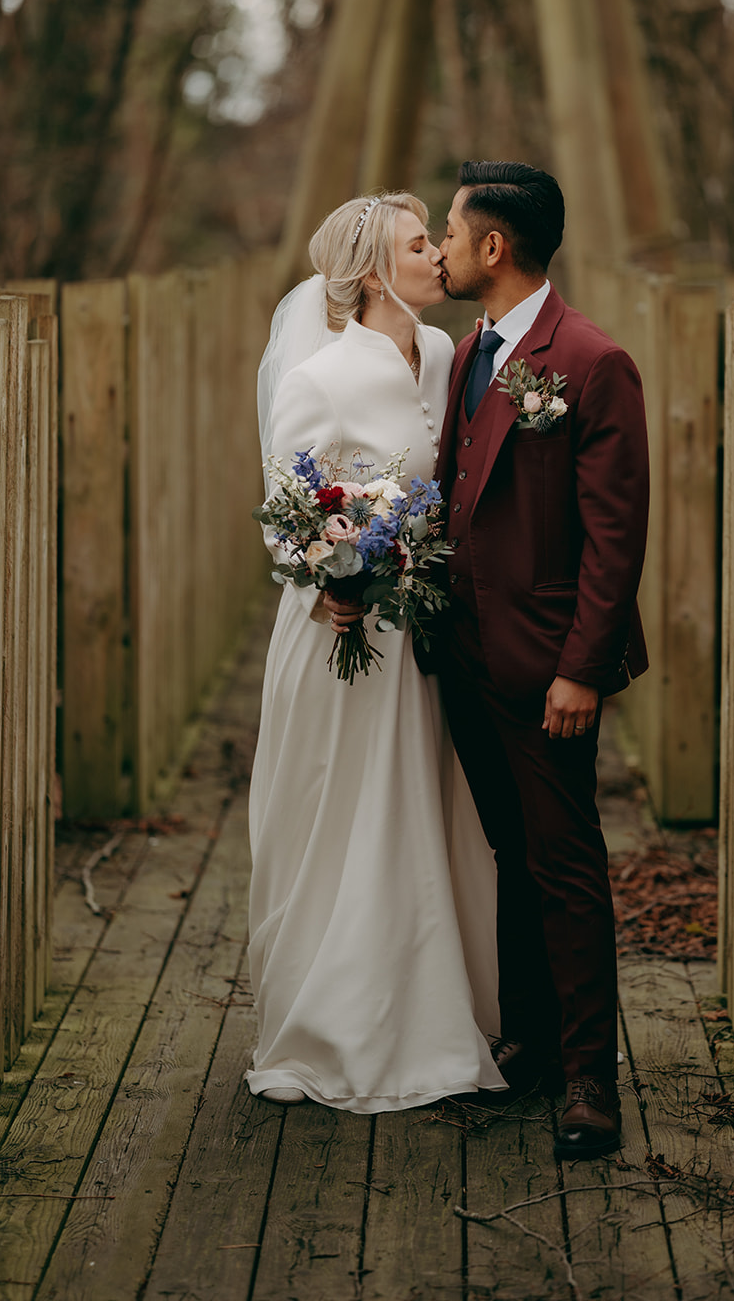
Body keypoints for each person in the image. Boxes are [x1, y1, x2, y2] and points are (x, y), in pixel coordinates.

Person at [245, 193, 503, 1112]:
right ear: (367, 274)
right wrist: (332, 580)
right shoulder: (320, 378)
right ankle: (337, 1026)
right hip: (345, 640)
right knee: (349, 821)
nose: (439, 254)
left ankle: (440, 1013)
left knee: (426, 816)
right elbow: (285, 522)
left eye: (436, 237)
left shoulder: (442, 355)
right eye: (418, 243)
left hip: (426, 637)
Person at [436, 160, 650, 1162]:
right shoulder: (466, 353)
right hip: (466, 658)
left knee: (563, 866)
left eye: (448, 230)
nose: (436, 246)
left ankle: (585, 1081)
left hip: (547, 665)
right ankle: (523, 1039)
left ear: (493, 246)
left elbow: (615, 534)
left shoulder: (591, 362)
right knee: (507, 856)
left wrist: (582, 668)